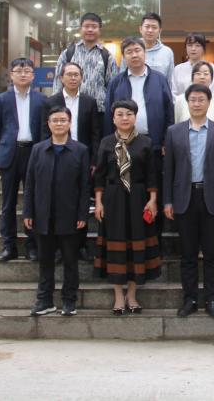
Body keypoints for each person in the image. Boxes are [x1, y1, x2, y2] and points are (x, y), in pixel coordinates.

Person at [163, 84, 214, 318]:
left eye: (201, 99)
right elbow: (169, 169)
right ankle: (190, 299)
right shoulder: (174, 132)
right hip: (184, 198)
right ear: (187, 103)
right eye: (192, 100)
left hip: (212, 198)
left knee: (212, 253)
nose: (196, 104)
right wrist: (167, 201)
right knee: (188, 254)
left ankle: (212, 299)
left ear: (208, 102)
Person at [106, 36, 175, 251]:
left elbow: (169, 111)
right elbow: (108, 114)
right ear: (124, 56)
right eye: (129, 52)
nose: (134, 55)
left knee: (153, 193)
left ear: (145, 53)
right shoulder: (116, 82)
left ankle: (154, 244)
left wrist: (166, 140)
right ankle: (128, 242)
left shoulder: (159, 79)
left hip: (153, 145)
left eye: (138, 50)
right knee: (127, 195)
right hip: (123, 145)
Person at [94, 100, 161, 314]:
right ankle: (118, 296)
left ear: (135, 117)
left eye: (129, 114)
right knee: (116, 244)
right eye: (120, 114)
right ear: (113, 118)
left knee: (136, 244)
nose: (125, 118)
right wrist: (98, 202)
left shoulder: (145, 142)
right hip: (113, 197)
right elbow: (99, 176)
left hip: (138, 197)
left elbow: (152, 174)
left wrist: (152, 200)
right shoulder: (106, 142)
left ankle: (132, 294)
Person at [24, 106, 91, 317]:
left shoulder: (80, 150)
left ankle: (69, 300)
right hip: (43, 215)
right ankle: (45, 300)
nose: (59, 124)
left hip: (70, 216)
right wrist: (28, 212)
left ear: (70, 123)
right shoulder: (38, 150)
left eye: (63, 120)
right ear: (48, 124)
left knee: (70, 261)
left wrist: (82, 214)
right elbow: (30, 184)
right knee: (45, 261)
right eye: (55, 120)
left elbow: (84, 186)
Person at [0, 57, 47, 263]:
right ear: (11, 75)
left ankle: (32, 245)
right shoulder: (1, 99)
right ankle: (8, 245)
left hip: (33, 153)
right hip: (9, 154)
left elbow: (44, 130)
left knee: (33, 201)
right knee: (8, 202)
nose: (23, 74)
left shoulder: (41, 100)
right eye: (19, 71)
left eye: (27, 71)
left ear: (33, 75)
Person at [42, 61, 101, 262]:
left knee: (81, 200)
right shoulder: (51, 102)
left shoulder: (89, 102)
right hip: (57, 155)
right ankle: (58, 247)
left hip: (82, 157)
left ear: (82, 78)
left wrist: (94, 160)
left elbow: (95, 133)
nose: (73, 78)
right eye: (69, 74)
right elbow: (44, 132)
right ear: (61, 78)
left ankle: (81, 244)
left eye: (77, 74)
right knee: (58, 201)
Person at [52, 12, 118, 133]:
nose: (90, 30)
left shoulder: (107, 56)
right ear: (80, 29)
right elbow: (58, 82)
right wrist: (56, 109)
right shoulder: (68, 53)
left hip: (99, 112)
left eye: (94, 26)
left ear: (99, 30)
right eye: (86, 26)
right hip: (69, 110)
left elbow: (112, 86)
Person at [122, 12, 175, 85]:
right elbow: (122, 77)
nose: (150, 30)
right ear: (140, 29)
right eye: (147, 27)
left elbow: (170, 80)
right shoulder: (130, 50)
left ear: (160, 31)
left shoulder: (167, 52)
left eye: (154, 27)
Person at [171, 33, 214, 99]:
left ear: (203, 48)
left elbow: (212, 92)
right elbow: (174, 93)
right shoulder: (178, 69)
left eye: (197, 45)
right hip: (181, 105)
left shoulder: (212, 68)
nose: (193, 49)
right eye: (190, 45)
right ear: (185, 47)